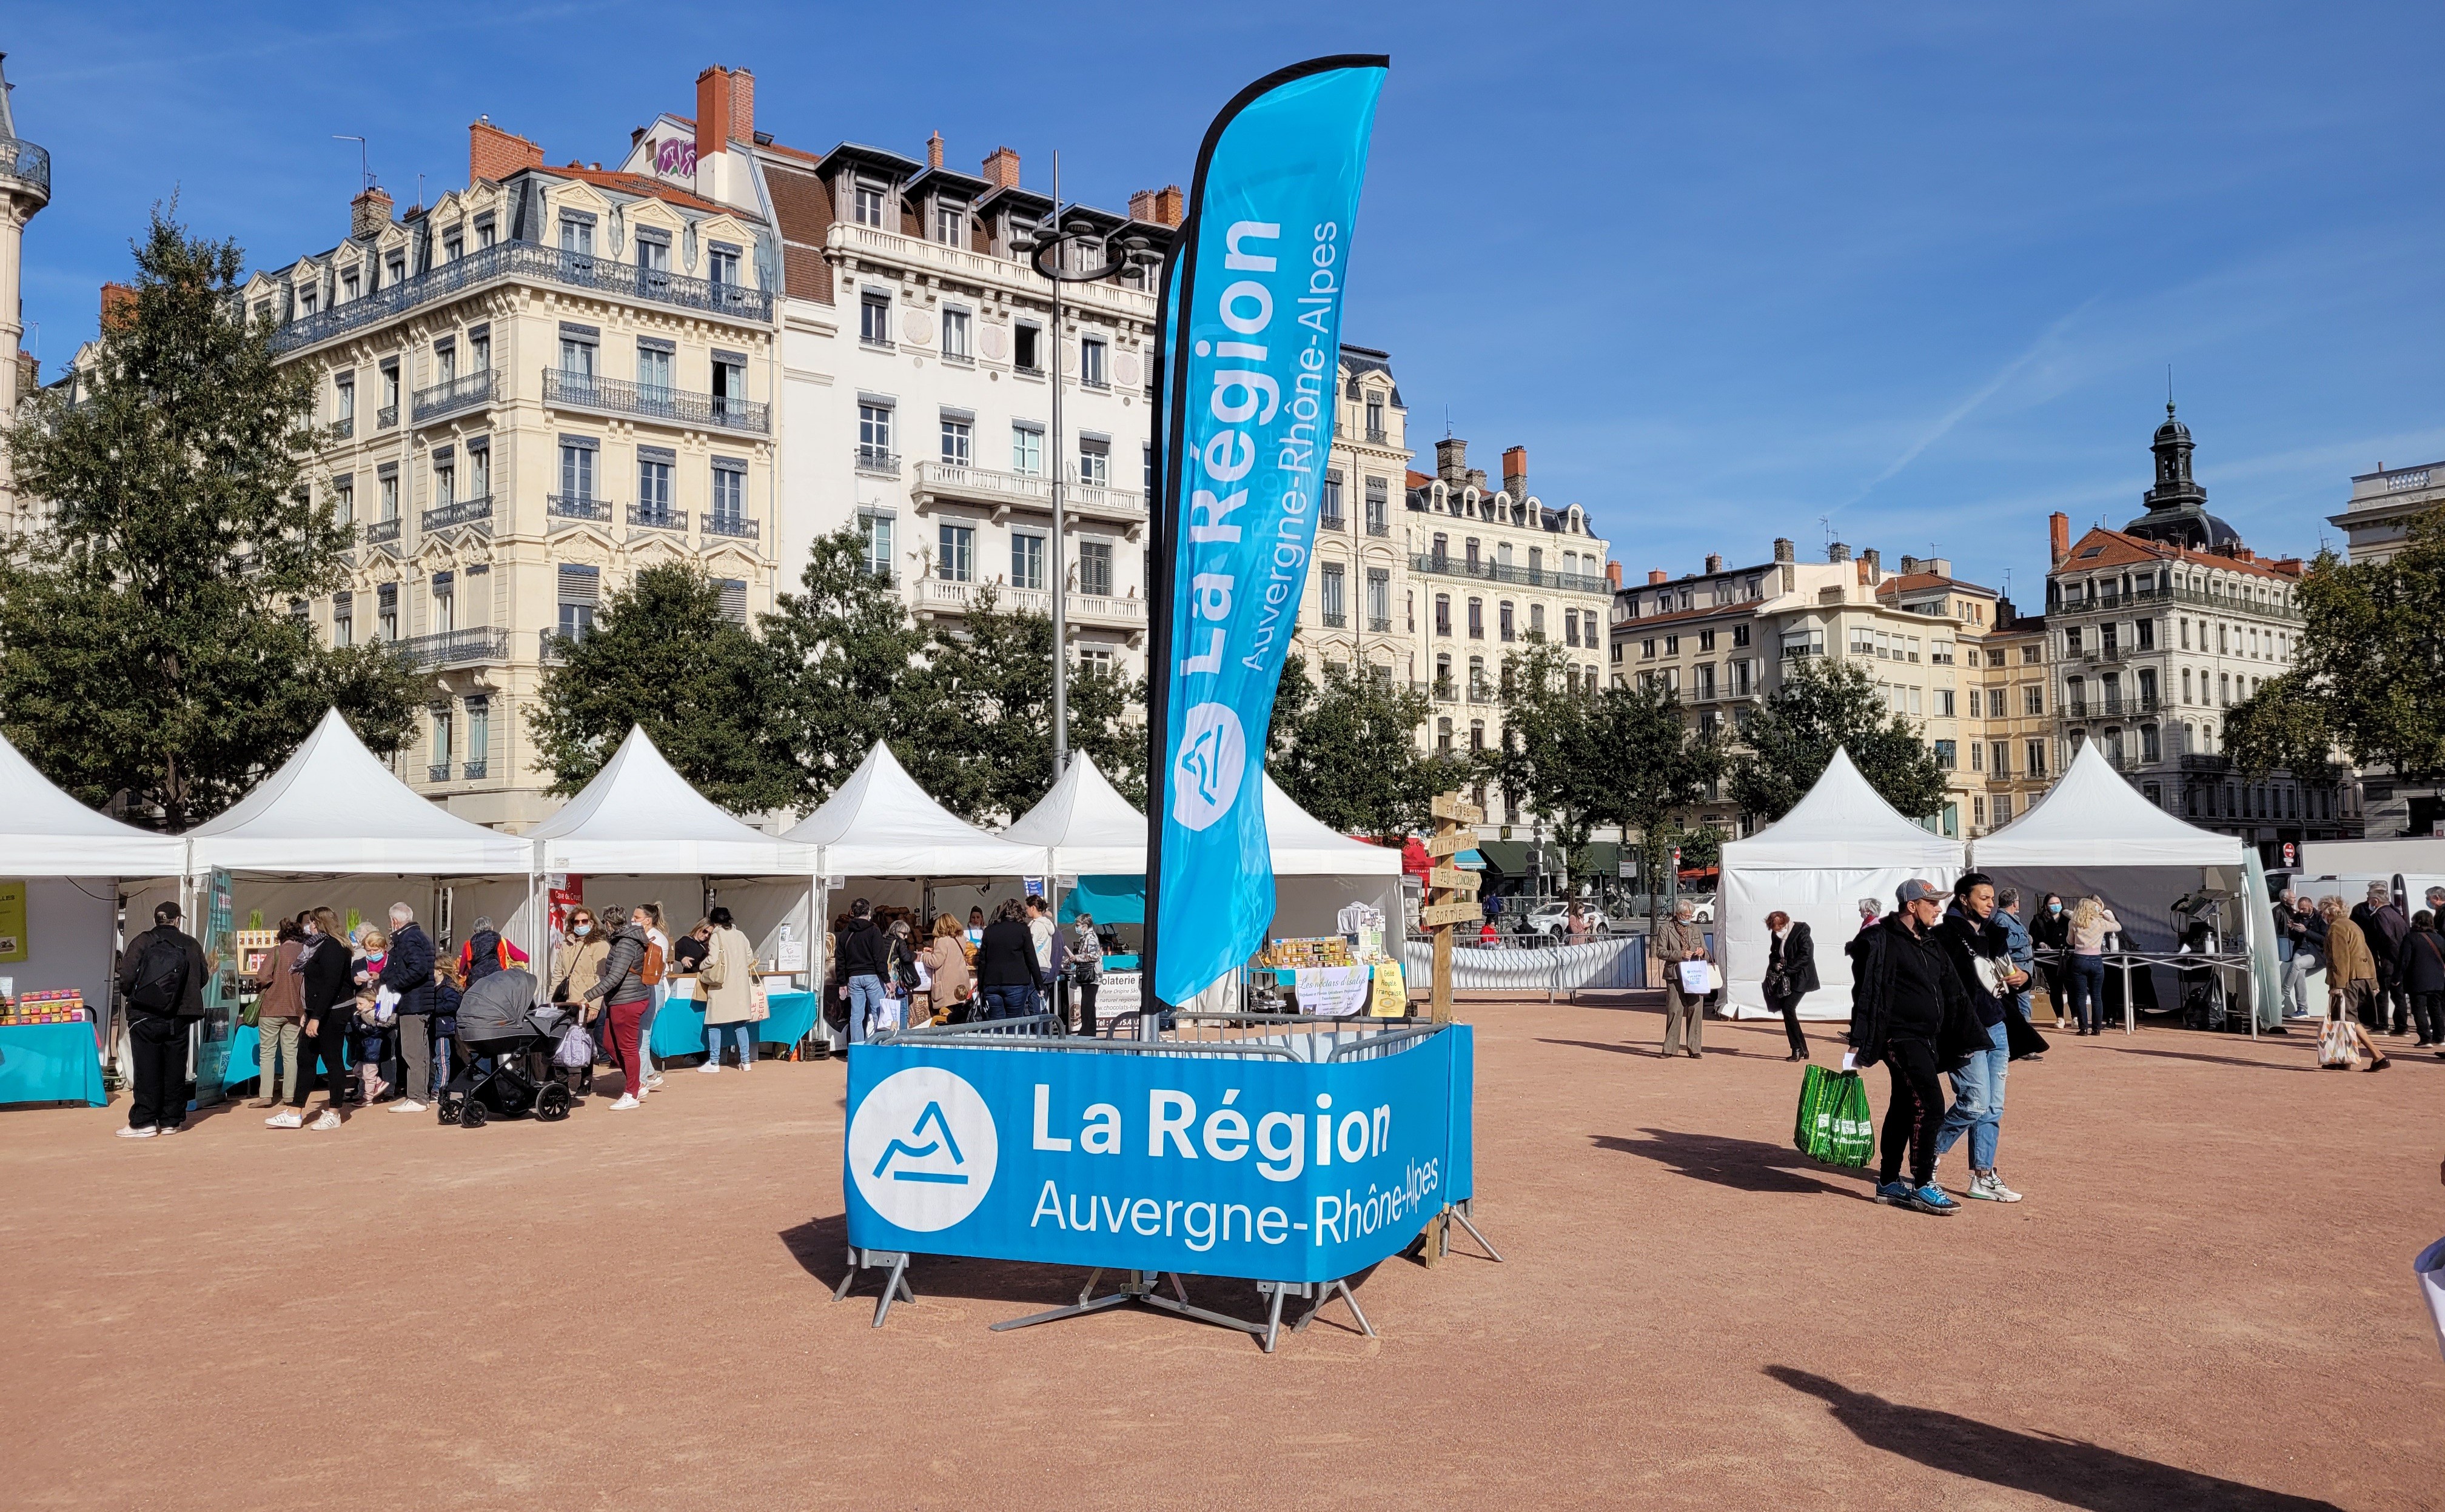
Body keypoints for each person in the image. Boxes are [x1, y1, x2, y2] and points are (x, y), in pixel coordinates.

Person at [1847, 878, 1974, 1216]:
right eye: (1931, 902)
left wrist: (1967, 1034)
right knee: (1932, 1104)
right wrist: (1860, 1038)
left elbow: (1953, 989)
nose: (1938, 908)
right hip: (1899, 1037)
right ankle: (1921, 1185)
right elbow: (1866, 987)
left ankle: (1888, 1181)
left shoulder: (1929, 942)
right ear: (1912, 906)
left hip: (1927, 1037)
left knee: (1904, 1105)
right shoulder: (1883, 938)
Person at [1932, 872, 2029, 1204]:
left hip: (1998, 1026)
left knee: (1993, 1107)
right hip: (1964, 1030)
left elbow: (2009, 972)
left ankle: (1983, 1177)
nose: (1990, 904)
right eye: (1983, 898)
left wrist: (2023, 978)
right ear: (1964, 899)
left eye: (1992, 898)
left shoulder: (1994, 934)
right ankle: (1928, 1153)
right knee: (1973, 1103)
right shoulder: (1944, 935)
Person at [114, 900, 208, 1139]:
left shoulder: (142, 941)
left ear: (157, 919)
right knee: (175, 1070)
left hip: (145, 1015)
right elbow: (203, 978)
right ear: (177, 920)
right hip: (179, 1017)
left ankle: (144, 1121)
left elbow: (125, 979)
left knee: (147, 1070)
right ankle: (171, 1121)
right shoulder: (191, 945)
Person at [276, 908, 357, 1131]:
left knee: (332, 1061)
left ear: (319, 923)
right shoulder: (316, 945)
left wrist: (317, 1018)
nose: (308, 926)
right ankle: (295, 1110)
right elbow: (312, 984)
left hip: (333, 1010)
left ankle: (334, 1112)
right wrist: (306, 1012)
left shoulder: (334, 947)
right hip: (316, 1010)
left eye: (311, 922)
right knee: (305, 1058)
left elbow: (330, 986)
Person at [583, 905, 653, 1109]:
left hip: (628, 1000)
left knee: (628, 1048)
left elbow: (615, 976)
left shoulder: (625, 943)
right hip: (622, 999)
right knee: (609, 1043)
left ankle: (632, 1093)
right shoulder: (627, 940)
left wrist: (588, 996)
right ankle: (636, 1084)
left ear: (608, 923)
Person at [377, 903, 438, 1113]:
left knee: (413, 1052)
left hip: (414, 1003)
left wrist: (393, 984)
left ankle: (417, 1097)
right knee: (420, 1052)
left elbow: (418, 968)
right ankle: (422, 1095)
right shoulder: (419, 936)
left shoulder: (409, 939)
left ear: (395, 921)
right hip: (421, 1002)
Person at [245, 916, 308, 1111]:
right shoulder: (305, 953)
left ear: (281, 937)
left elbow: (262, 977)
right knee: (291, 1053)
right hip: (296, 1009)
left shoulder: (277, 951)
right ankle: (289, 1095)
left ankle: (265, 1095)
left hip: (272, 1008)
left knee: (267, 1053)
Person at [699, 906, 760, 1072]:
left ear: (714, 922)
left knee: (714, 1024)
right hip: (740, 986)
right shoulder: (741, 935)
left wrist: (701, 965)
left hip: (721, 986)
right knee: (740, 1025)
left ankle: (714, 1062)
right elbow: (749, 958)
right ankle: (746, 1061)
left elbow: (712, 960)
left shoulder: (716, 936)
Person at [2352, 883, 2412, 1036]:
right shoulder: (2396, 914)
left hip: (2386, 963)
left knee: (2382, 994)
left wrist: (2395, 959)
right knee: (2398, 996)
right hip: (2397, 964)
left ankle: (2382, 1025)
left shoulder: (2380, 916)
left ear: (2376, 901)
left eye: (2370, 900)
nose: (2369, 903)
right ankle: (2401, 1026)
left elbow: (2386, 939)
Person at [1655, 898, 1711, 1059]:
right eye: (1686, 915)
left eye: (1690, 915)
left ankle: (1695, 1048)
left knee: (1696, 1009)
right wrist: (1680, 954)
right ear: (1678, 914)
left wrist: (1702, 952)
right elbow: (1660, 952)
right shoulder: (1666, 929)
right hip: (1675, 975)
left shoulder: (1696, 929)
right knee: (1674, 1010)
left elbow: (1707, 952)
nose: (1689, 917)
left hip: (1695, 975)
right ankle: (1670, 1048)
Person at [1761, 910, 1818, 1062]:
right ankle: (1802, 1048)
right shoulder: (1776, 935)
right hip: (1786, 978)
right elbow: (1774, 953)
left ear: (1784, 923)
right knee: (1788, 1010)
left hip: (1802, 977)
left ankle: (1797, 1048)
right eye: (1773, 928)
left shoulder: (1801, 931)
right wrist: (1775, 963)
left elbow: (1806, 955)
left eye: (1778, 927)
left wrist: (1788, 968)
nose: (1776, 931)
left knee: (1788, 1008)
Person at [976, 898, 1045, 1022]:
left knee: (995, 1022)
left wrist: (981, 987)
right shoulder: (1023, 930)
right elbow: (1031, 958)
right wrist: (1039, 985)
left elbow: (983, 961)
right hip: (1017, 982)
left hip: (992, 983)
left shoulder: (989, 931)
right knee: (1014, 1022)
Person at [2321, 895, 2380, 1031]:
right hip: (2362, 977)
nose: (2322, 916)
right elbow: (2367, 954)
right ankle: (2355, 1046)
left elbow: (2340, 959)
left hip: (2349, 979)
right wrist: (2373, 982)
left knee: (2347, 1017)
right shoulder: (2353, 925)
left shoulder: (2336, 928)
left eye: (2322, 912)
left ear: (2328, 912)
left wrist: (2338, 985)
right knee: (2346, 1017)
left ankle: (2375, 1051)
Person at [835, 898, 888, 1044]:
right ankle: (880, 1046)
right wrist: (887, 979)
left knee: (856, 1016)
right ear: (868, 912)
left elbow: (840, 960)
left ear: (853, 912)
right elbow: (880, 958)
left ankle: (857, 1049)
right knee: (878, 1012)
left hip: (853, 978)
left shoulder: (846, 933)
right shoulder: (873, 930)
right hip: (872, 976)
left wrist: (842, 983)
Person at [2064, 896, 2119, 1035]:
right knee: (2097, 996)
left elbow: (2070, 941)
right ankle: (2097, 1028)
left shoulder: (2074, 922)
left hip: (2079, 959)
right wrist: (2106, 916)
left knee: (2081, 995)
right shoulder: (2100, 923)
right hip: (2096, 959)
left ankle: (2083, 1028)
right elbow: (2118, 927)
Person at [633, 902, 670, 1093]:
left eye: (636, 918)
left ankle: (641, 1082)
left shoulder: (657, 939)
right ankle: (649, 1075)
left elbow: (652, 968)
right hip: (645, 988)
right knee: (639, 1034)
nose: (633, 920)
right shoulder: (645, 936)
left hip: (653, 988)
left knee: (643, 1035)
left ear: (648, 920)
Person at [2396, 910, 2445, 1050]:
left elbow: (2404, 961)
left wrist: (2397, 978)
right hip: (2437, 980)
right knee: (2436, 1008)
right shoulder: (2439, 938)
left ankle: (2425, 1038)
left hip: (2417, 980)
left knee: (2419, 1009)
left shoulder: (2410, 938)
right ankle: (2440, 1037)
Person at [2275, 891, 2321, 1021]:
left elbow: (2325, 939)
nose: (2300, 911)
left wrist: (2306, 931)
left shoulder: (2320, 918)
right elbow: (2294, 938)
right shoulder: (2298, 917)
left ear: (2311, 907)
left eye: (2304, 909)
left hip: (2316, 953)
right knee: (2299, 972)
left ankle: (2283, 993)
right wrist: (2292, 929)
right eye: (2299, 908)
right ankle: (2303, 1009)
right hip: (2301, 950)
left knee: (2297, 964)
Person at [1995, 888, 2036, 1032]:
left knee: (2023, 1002)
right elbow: (2004, 942)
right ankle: (2026, 1041)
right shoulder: (2002, 920)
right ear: (2014, 903)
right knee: (2022, 1003)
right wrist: (2025, 939)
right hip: (2017, 966)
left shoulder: (2012, 919)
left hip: (2025, 964)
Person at [2028, 893, 2071, 1029]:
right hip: (2049, 960)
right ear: (2046, 905)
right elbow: (2032, 938)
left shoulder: (2068, 918)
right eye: (2052, 903)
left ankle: (2076, 1016)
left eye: (2057, 903)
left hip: (2068, 958)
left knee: (2072, 988)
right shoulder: (2038, 920)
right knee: (2055, 988)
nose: (2055, 906)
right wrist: (2041, 944)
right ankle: (2060, 1017)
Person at [921, 913, 972, 1026]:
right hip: (961, 982)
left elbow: (935, 962)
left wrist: (925, 956)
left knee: (947, 1017)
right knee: (959, 1014)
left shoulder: (942, 941)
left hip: (947, 986)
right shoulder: (961, 939)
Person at [455, 915, 529, 985]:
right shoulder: (502, 941)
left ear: (474, 931)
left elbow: (463, 969)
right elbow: (525, 958)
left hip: (476, 982)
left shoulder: (468, 944)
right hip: (498, 980)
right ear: (492, 927)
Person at [1068, 912, 1104, 1037]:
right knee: (1089, 1005)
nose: (1077, 928)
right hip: (1088, 976)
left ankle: (1085, 1031)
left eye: (1078, 925)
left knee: (1087, 1005)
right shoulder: (1086, 937)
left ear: (1085, 925)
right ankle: (1090, 1031)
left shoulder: (1091, 938)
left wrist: (1077, 958)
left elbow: (1095, 956)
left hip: (1092, 976)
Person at [1025, 895, 1059, 1017]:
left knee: (1022, 1000)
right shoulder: (1047, 925)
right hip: (1045, 967)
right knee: (1035, 1002)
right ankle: (1038, 1032)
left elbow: (1029, 947)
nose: (1026, 911)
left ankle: (1025, 1033)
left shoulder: (1036, 926)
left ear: (1033, 908)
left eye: (1027, 908)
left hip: (1036, 967)